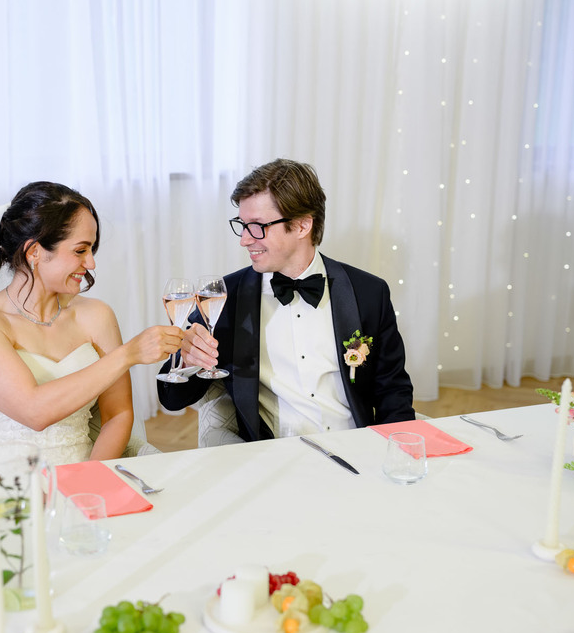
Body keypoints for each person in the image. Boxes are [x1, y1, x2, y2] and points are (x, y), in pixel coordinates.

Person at [0, 182, 182, 475]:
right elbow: (34, 412)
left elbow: (119, 414)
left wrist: (89, 478)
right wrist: (128, 355)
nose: (91, 262)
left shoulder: (96, 315)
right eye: (80, 250)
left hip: (83, 478)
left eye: (92, 249)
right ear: (34, 252)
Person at [158, 159, 414, 442]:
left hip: (355, 450)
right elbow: (172, 398)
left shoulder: (368, 292)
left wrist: (398, 455)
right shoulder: (226, 298)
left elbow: (394, 391)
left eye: (256, 226)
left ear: (303, 225)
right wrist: (187, 359)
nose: (244, 239)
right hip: (274, 459)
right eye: (241, 225)